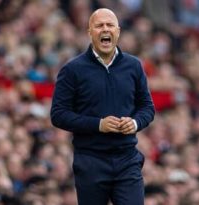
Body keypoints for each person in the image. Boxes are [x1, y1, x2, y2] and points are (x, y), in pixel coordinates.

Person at [50, 8, 155, 205]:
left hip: (127, 158)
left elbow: (147, 107)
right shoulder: (73, 70)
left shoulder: (134, 66)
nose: (105, 29)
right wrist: (98, 124)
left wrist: (134, 123)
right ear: (90, 32)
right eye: (99, 26)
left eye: (110, 25)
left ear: (118, 31)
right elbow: (58, 114)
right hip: (90, 160)